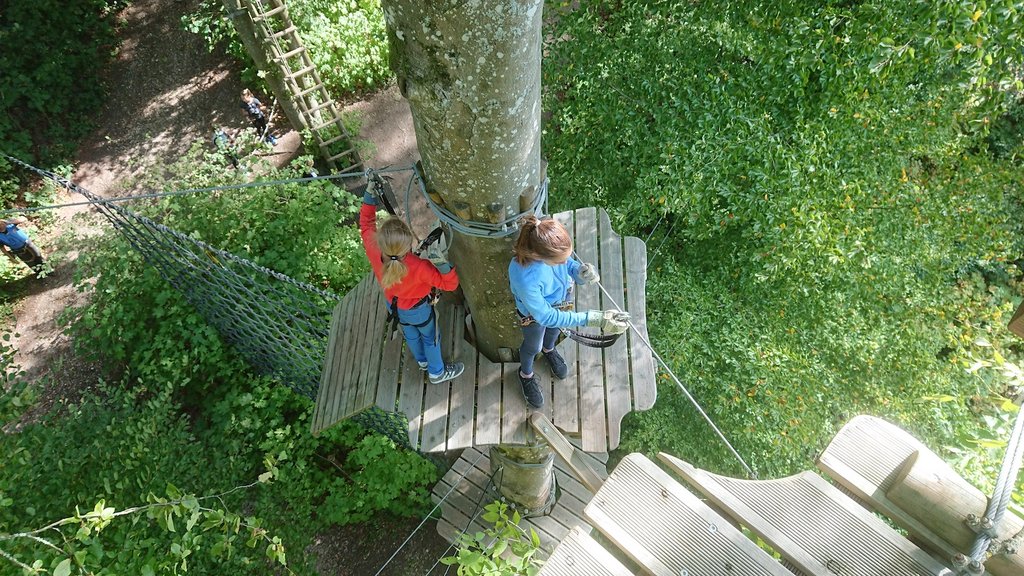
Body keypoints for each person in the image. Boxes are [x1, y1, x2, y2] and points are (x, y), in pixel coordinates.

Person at [508, 215, 630, 409]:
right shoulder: (525, 277)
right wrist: (593, 318)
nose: (564, 262)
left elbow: (568, 264)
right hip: (535, 316)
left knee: (553, 333)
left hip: (560, 301)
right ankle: (525, 374)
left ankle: (549, 349)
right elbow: (546, 316)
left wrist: (579, 272)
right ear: (539, 256)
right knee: (533, 346)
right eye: (559, 261)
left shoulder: (549, 250)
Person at [360, 184, 464, 384]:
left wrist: (369, 196)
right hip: (418, 310)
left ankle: (423, 361)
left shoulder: (374, 249)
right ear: (407, 245)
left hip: (393, 305)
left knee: (411, 335)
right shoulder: (419, 267)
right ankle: (437, 372)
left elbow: (366, 225)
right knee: (430, 337)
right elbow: (450, 285)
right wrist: (443, 266)